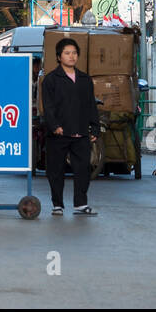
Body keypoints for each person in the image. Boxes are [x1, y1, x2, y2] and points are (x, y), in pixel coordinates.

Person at [40, 38, 100, 216]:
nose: (71, 56)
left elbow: (91, 105)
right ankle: (57, 205)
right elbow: (48, 107)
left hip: (80, 132)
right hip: (59, 133)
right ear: (59, 57)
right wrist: (55, 126)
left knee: (83, 169)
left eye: (74, 53)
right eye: (67, 53)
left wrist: (94, 128)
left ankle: (81, 204)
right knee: (56, 170)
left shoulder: (84, 79)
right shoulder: (51, 80)